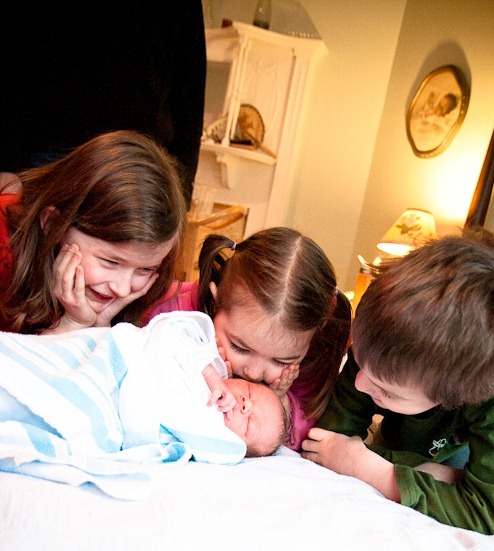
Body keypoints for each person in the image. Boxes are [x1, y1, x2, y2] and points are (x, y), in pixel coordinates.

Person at [301, 229, 494, 535]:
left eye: (387, 391)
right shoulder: (380, 337)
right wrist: (441, 475)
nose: (359, 385)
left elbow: (486, 513)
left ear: (456, 397)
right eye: (358, 360)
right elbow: (326, 444)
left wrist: (370, 468)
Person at [0, 311, 287, 498]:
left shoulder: (209, 433)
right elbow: (171, 332)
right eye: (249, 392)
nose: (245, 405)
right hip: (111, 364)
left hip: (114, 409)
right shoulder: (208, 363)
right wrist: (209, 371)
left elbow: (219, 448)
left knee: (55, 410)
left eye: (250, 423)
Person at [144, 227, 353, 451]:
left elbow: (308, 429)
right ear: (216, 301)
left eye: (280, 361)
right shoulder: (173, 314)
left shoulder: (315, 354)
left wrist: (278, 401)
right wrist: (203, 372)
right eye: (240, 348)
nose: (253, 373)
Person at [0, 4, 206, 209]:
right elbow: (15, 59)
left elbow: (189, 98)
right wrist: (6, 166)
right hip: (51, 158)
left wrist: (181, 191)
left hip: (140, 170)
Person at [0, 130, 187, 335]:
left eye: (145, 269)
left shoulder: (146, 294)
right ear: (53, 223)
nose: (122, 289)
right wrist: (70, 325)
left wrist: (100, 329)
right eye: (110, 262)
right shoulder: (4, 244)